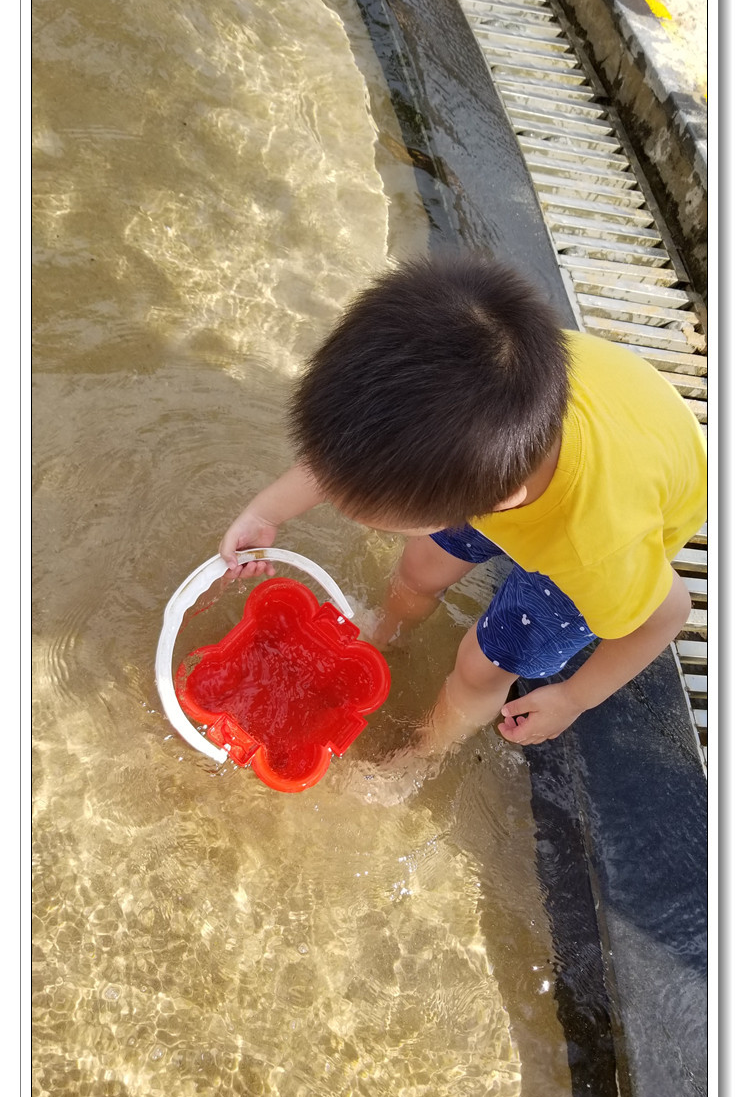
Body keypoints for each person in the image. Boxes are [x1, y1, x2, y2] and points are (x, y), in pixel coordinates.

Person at [219, 252, 706, 771]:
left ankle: (420, 755)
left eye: (377, 513)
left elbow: (666, 614)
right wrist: (265, 510)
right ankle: (387, 634)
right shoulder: (488, 387)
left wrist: (572, 698)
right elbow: (352, 459)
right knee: (420, 567)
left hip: (609, 513)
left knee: (481, 662)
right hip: (568, 445)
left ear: (489, 507)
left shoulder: (594, 550)